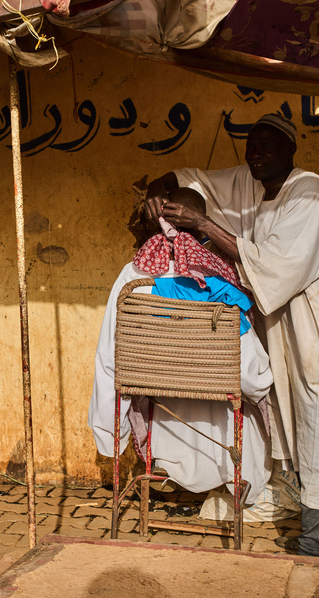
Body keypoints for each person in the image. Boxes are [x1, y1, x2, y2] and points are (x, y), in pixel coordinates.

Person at [145, 113, 319, 558]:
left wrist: (204, 225)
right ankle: (306, 513)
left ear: (290, 151)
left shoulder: (308, 192)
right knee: (296, 425)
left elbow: (275, 266)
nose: (257, 154)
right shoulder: (251, 184)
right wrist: (160, 188)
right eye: (251, 146)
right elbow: (194, 179)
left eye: (267, 146)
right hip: (289, 329)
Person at [89, 187, 275, 505]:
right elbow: (249, 373)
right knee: (253, 392)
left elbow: (110, 353)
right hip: (220, 395)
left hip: (158, 393)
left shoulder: (132, 277)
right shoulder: (219, 282)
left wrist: (109, 433)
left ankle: (167, 472)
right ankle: (241, 484)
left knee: (158, 392)